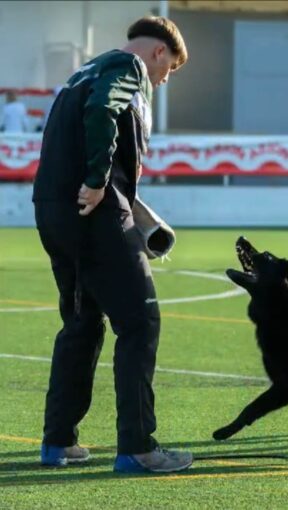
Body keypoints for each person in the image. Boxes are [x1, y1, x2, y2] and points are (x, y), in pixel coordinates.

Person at [33, 16, 192, 473]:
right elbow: (102, 110)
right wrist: (98, 180)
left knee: (82, 322)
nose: (164, 79)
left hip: (53, 209)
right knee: (140, 322)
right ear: (158, 52)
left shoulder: (86, 70)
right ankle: (138, 449)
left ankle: (58, 441)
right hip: (94, 211)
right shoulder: (129, 68)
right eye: (170, 68)